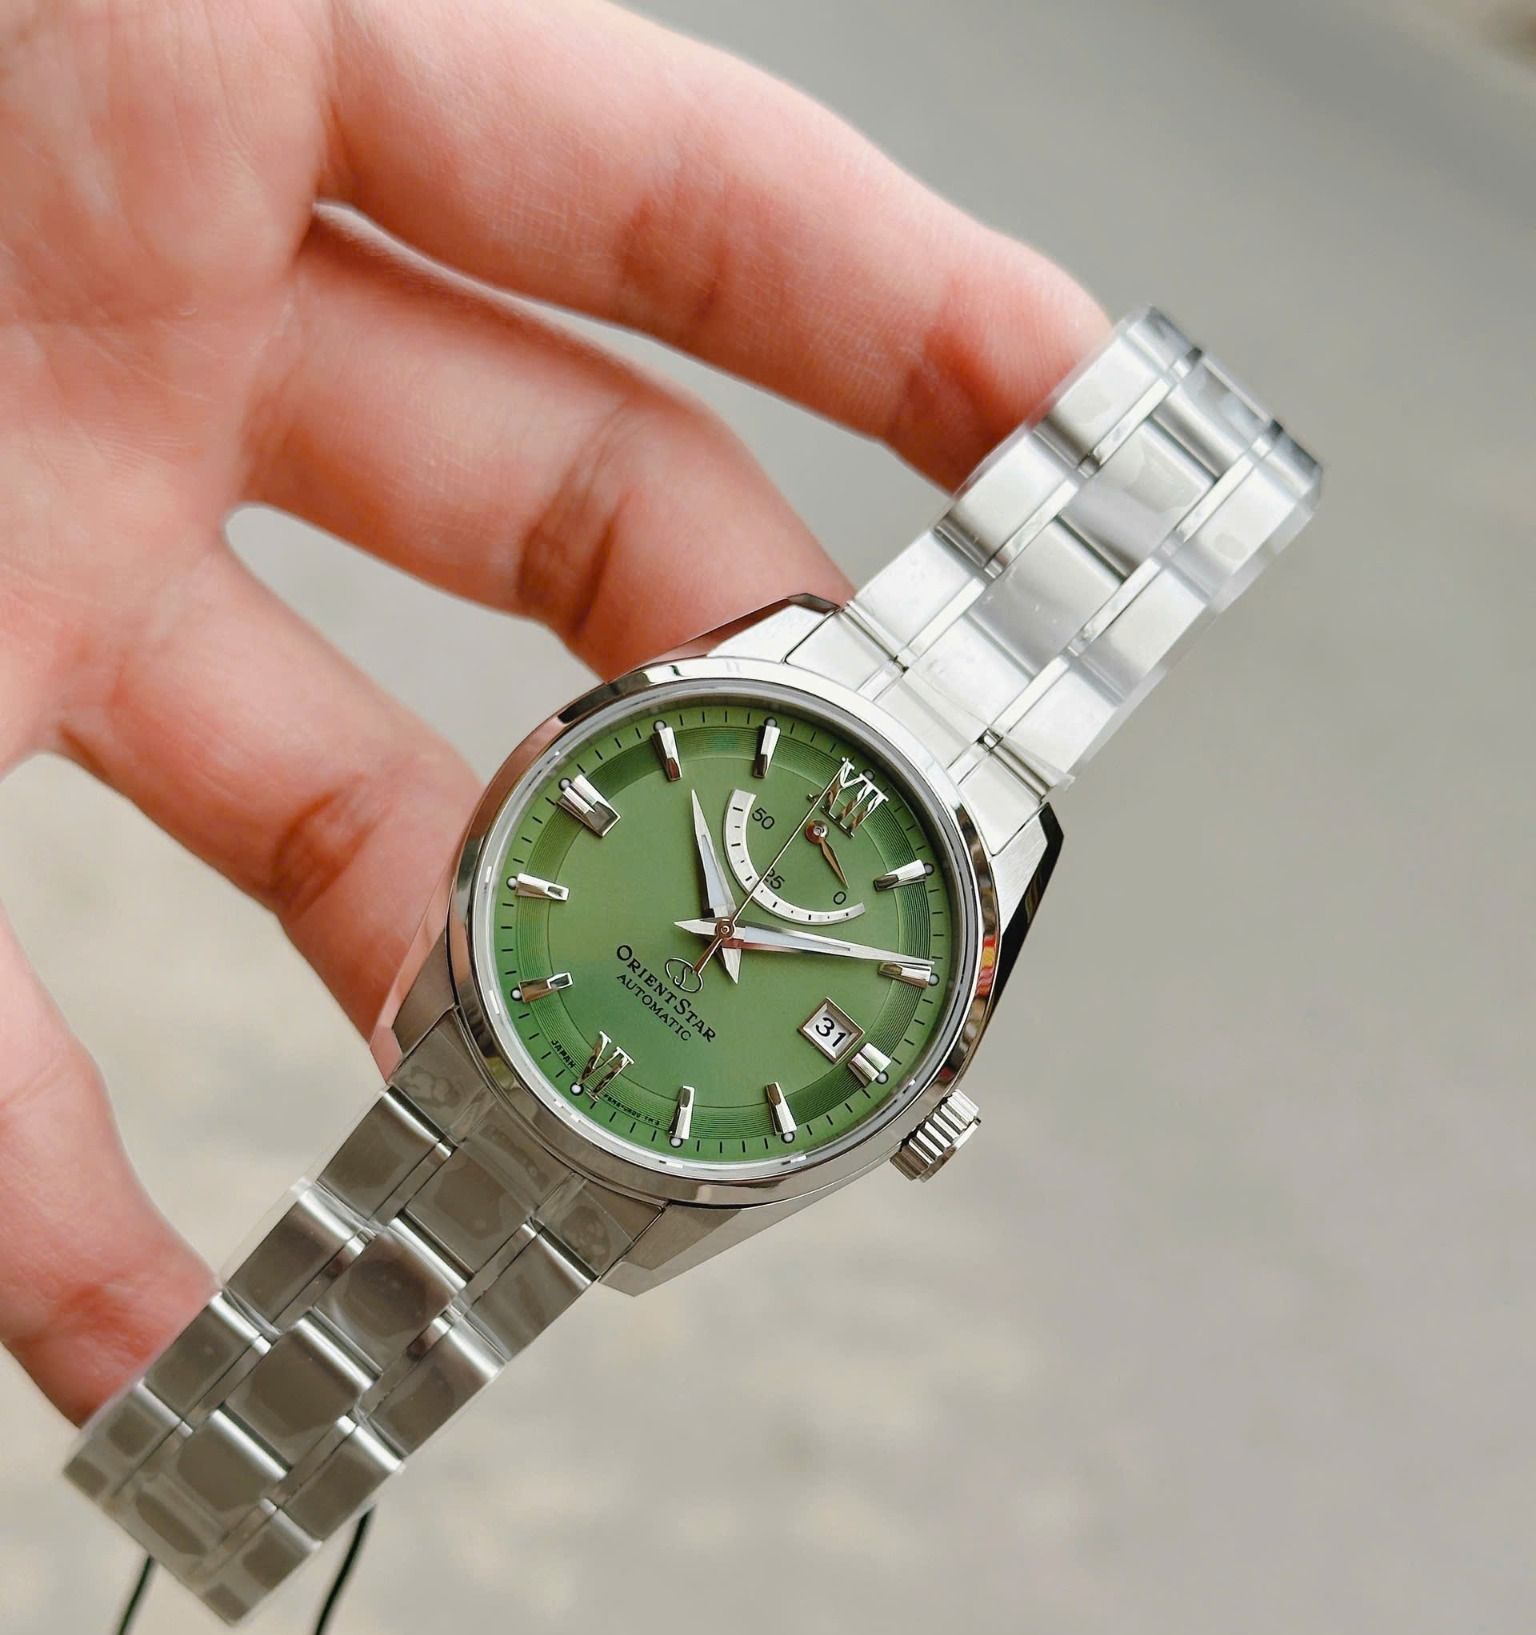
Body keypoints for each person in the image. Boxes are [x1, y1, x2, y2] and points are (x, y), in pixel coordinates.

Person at [0, 0, 1104, 1425]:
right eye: (727, 912)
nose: (724, 934)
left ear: (914, 1105)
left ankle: (249, 1461)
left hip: (616, 1074)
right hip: (555, 1004)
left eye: (744, 937)